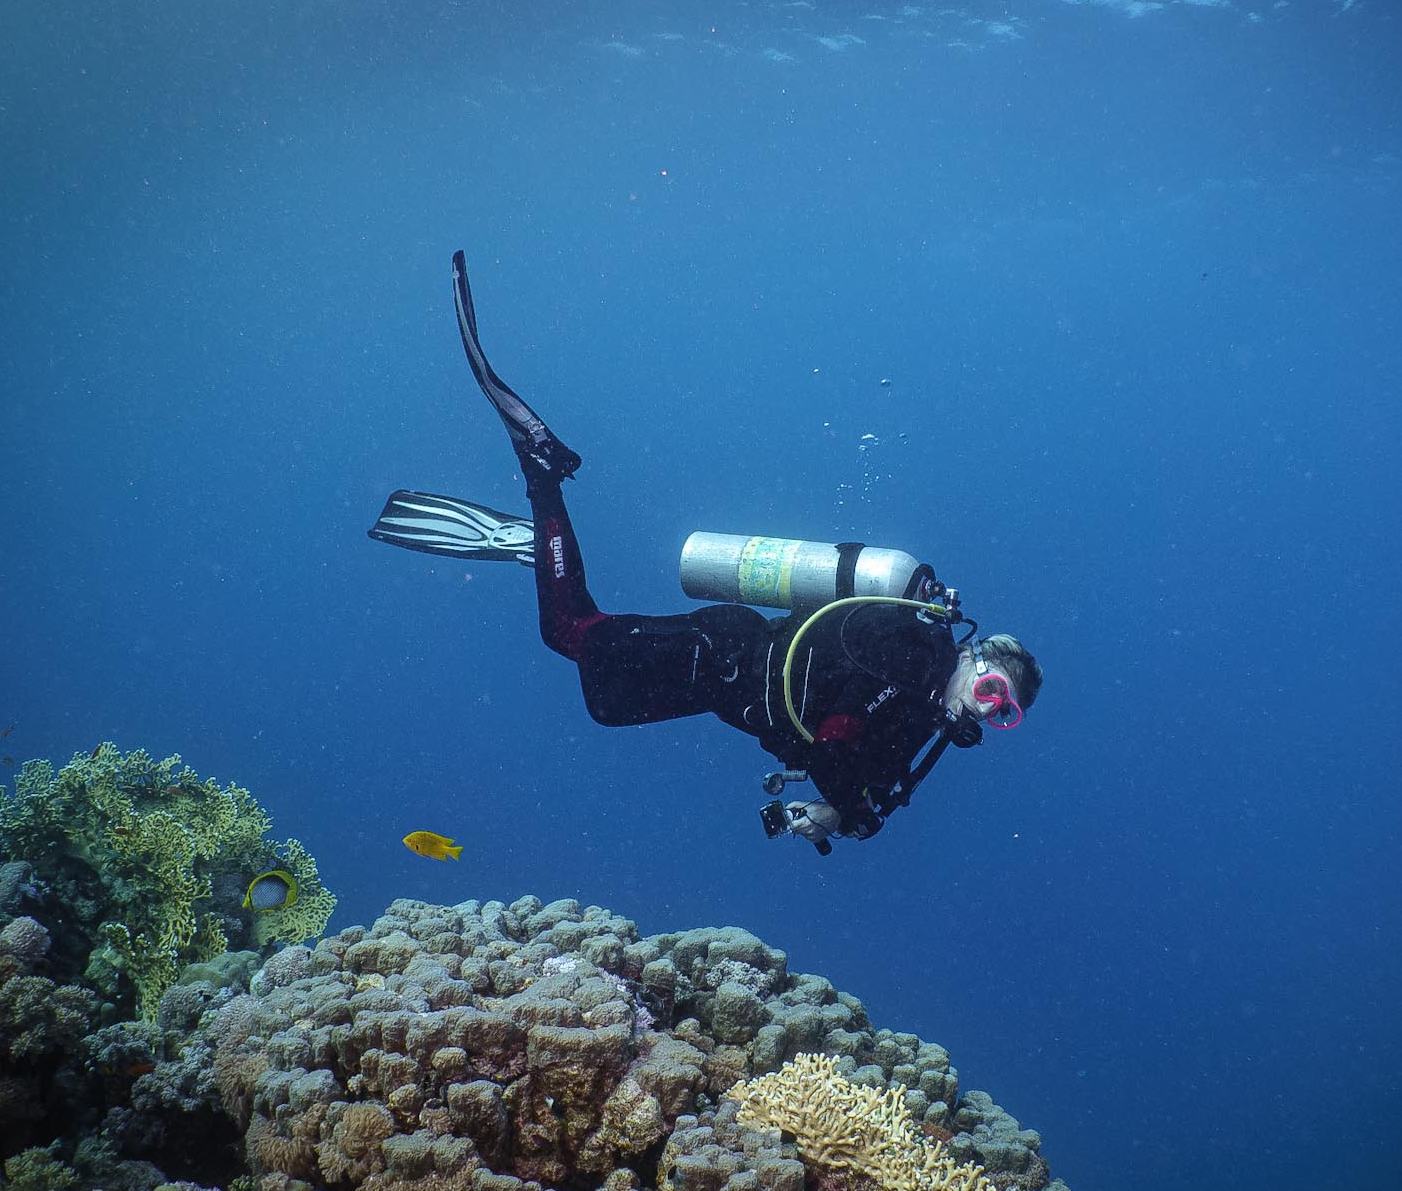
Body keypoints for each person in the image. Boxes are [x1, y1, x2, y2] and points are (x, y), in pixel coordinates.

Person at [377, 251, 1041, 853]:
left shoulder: (924, 709)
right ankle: (540, 471)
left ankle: (540, 540)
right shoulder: (910, 647)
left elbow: (852, 772)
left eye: (1001, 711)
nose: (986, 708)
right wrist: (843, 796)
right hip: (724, 653)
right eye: (991, 689)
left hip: (726, 692)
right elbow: (839, 732)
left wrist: (839, 811)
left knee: (604, 705)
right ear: (972, 657)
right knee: (569, 633)